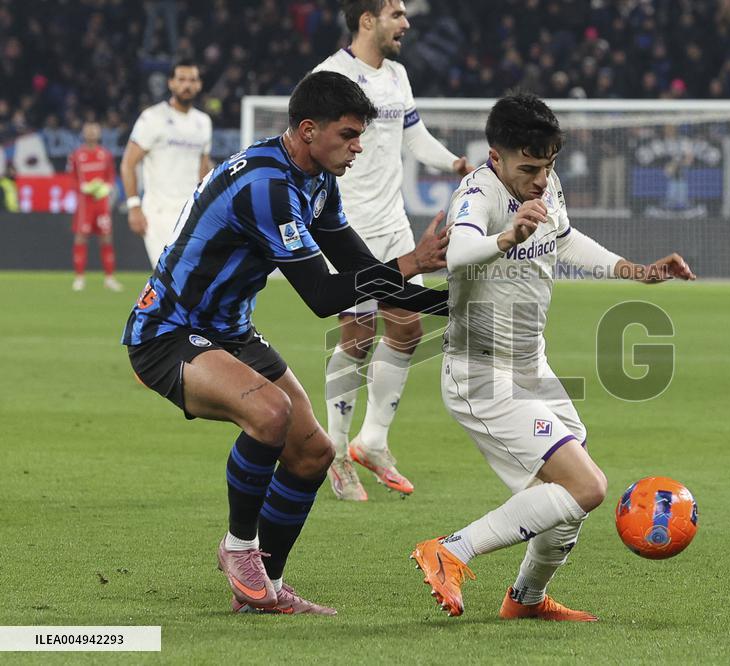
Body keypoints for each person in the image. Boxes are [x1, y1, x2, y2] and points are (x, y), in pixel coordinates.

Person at [122, 71, 449, 615]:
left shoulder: (317, 180)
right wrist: (412, 262)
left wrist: (450, 307)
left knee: (314, 451)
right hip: (168, 333)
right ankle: (238, 547)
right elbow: (323, 295)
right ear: (307, 129)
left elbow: (360, 270)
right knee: (270, 415)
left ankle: (262, 593)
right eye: (348, 134)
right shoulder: (268, 186)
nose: (358, 146)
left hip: (229, 331)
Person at [410, 93, 695, 621]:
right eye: (530, 168)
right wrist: (507, 234)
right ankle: (450, 549)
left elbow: (565, 242)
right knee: (586, 486)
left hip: (530, 365)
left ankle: (526, 600)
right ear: (496, 156)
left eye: (549, 167)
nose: (541, 179)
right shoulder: (478, 193)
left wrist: (639, 271)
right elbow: (459, 250)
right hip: (481, 373)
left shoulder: (545, 186)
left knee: (569, 488)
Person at [312, 0, 474, 501]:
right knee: (357, 337)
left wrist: (457, 164)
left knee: (407, 327)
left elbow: (414, 137)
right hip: (347, 227)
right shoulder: (330, 76)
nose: (406, 23)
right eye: (397, 14)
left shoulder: (398, 75)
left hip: (394, 223)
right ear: (368, 20)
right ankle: (335, 453)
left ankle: (373, 440)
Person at [121, 59, 213, 268]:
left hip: (192, 212)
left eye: (192, 80)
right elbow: (128, 163)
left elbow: (203, 169)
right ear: (171, 83)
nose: (187, 85)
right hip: (159, 213)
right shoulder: (152, 118)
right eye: (181, 79)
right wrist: (134, 206)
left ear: (199, 85)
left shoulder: (203, 122)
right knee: (170, 277)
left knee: (195, 280)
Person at [68, 121, 122, 291]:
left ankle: (109, 278)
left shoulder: (105, 155)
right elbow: (72, 178)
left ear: (99, 134)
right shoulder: (77, 155)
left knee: (106, 238)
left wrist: (106, 187)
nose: (91, 133)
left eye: (94, 130)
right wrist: (82, 187)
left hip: (102, 204)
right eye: (88, 130)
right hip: (85, 204)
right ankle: (79, 278)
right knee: (81, 237)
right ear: (83, 133)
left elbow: (111, 177)